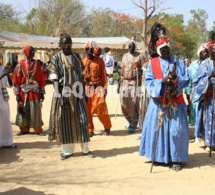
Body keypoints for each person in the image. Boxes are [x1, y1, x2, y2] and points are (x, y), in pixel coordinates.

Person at [139, 35, 190, 171]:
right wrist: (161, 81)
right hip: (159, 103)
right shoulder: (153, 63)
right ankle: (159, 157)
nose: (166, 51)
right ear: (158, 50)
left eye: (168, 49)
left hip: (176, 102)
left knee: (176, 131)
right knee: (157, 129)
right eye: (163, 49)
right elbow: (148, 82)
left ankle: (177, 159)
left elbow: (187, 78)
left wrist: (175, 81)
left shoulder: (178, 62)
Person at [47, 34, 95, 160]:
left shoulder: (77, 57)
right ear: (60, 46)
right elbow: (54, 79)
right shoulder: (56, 58)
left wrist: (85, 93)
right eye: (64, 45)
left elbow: (82, 76)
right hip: (64, 94)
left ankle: (85, 149)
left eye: (69, 44)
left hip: (78, 94)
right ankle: (67, 151)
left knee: (83, 120)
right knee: (66, 122)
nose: (67, 47)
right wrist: (60, 97)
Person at [13, 46, 46, 136]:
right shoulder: (20, 65)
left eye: (33, 51)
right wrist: (17, 95)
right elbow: (16, 81)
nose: (33, 52)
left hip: (35, 92)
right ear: (26, 52)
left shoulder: (37, 64)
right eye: (31, 51)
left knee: (36, 110)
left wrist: (42, 93)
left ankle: (38, 129)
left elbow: (41, 80)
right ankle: (24, 129)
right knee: (23, 110)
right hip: (23, 92)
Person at [82, 41, 112, 137]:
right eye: (88, 50)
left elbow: (104, 75)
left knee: (101, 107)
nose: (89, 51)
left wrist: (105, 88)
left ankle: (107, 127)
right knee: (88, 109)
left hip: (98, 88)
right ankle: (90, 129)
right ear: (85, 50)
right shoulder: (83, 62)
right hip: (87, 88)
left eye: (91, 50)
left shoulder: (99, 60)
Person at [192, 30, 215, 151]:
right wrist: (209, 77)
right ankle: (209, 142)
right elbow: (196, 81)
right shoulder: (205, 64)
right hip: (208, 97)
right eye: (213, 50)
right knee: (208, 119)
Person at [119, 40, 145, 133]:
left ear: (135, 47)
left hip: (135, 82)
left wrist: (142, 85)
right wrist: (119, 84)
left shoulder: (140, 56)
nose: (130, 48)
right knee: (124, 102)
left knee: (134, 102)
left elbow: (144, 70)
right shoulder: (125, 56)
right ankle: (129, 120)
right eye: (129, 47)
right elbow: (122, 70)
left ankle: (133, 124)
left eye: (132, 47)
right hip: (125, 82)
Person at [185, 43, 209, 129]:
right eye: (203, 52)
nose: (205, 54)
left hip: (208, 94)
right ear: (199, 53)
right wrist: (188, 99)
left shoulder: (211, 64)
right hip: (196, 95)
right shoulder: (193, 65)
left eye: (207, 52)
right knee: (196, 114)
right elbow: (189, 82)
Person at [0, 62, 17, 148]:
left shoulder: (2, 69)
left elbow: (10, 84)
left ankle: (7, 142)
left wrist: (7, 74)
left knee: (5, 119)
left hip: (3, 97)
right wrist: (2, 75)